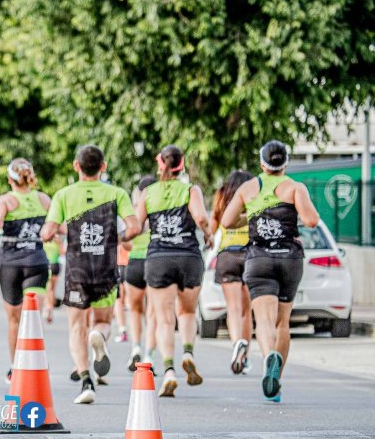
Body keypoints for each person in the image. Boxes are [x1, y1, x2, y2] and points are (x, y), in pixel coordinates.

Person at [41, 145, 140, 404]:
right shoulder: (116, 193)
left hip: (77, 268)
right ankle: (100, 337)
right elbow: (135, 226)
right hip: (106, 266)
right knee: (103, 321)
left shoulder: (63, 195)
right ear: (103, 167)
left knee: (76, 326)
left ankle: (86, 381)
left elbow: (46, 232)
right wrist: (116, 238)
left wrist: (63, 231)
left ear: (76, 166)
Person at [221, 140, 319, 402]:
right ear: (285, 163)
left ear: (262, 163)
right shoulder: (295, 188)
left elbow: (227, 221)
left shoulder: (249, 187)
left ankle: (268, 358)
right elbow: (311, 220)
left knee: (263, 320)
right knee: (282, 322)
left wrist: (251, 213)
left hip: (259, 258)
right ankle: (277, 382)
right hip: (289, 258)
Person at [135, 145, 213, 398]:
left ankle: (168, 371)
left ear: (160, 163)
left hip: (159, 257)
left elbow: (136, 225)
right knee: (187, 312)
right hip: (188, 256)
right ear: (182, 165)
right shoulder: (191, 190)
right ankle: (188, 353)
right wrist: (209, 236)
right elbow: (201, 218)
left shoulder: (148, 192)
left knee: (164, 318)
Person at [0, 158, 50, 384]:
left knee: (14, 320)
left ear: (9, 180)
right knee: (33, 317)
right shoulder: (44, 199)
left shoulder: (5, 200)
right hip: (36, 261)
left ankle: (16, 368)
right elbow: (57, 228)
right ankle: (36, 364)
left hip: (11, 264)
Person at [210, 170, 255, 375]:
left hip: (228, 254)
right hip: (250, 253)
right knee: (247, 311)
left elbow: (212, 228)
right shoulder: (253, 198)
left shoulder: (221, 199)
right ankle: (244, 356)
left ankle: (237, 343)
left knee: (234, 309)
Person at [123, 175, 157, 372]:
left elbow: (126, 243)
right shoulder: (159, 212)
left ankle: (135, 346)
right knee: (152, 313)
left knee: (135, 310)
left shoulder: (135, 213)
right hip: (154, 261)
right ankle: (148, 355)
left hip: (134, 261)